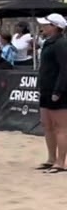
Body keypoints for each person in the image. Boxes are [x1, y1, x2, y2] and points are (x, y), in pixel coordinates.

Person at [37, 13, 67, 170]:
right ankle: (51, 158)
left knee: (60, 127)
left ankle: (61, 162)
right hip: (46, 89)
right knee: (47, 124)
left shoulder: (61, 44)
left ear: (55, 27)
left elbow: (65, 69)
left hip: (58, 90)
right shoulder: (48, 43)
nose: (42, 27)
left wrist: (58, 90)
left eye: (46, 25)